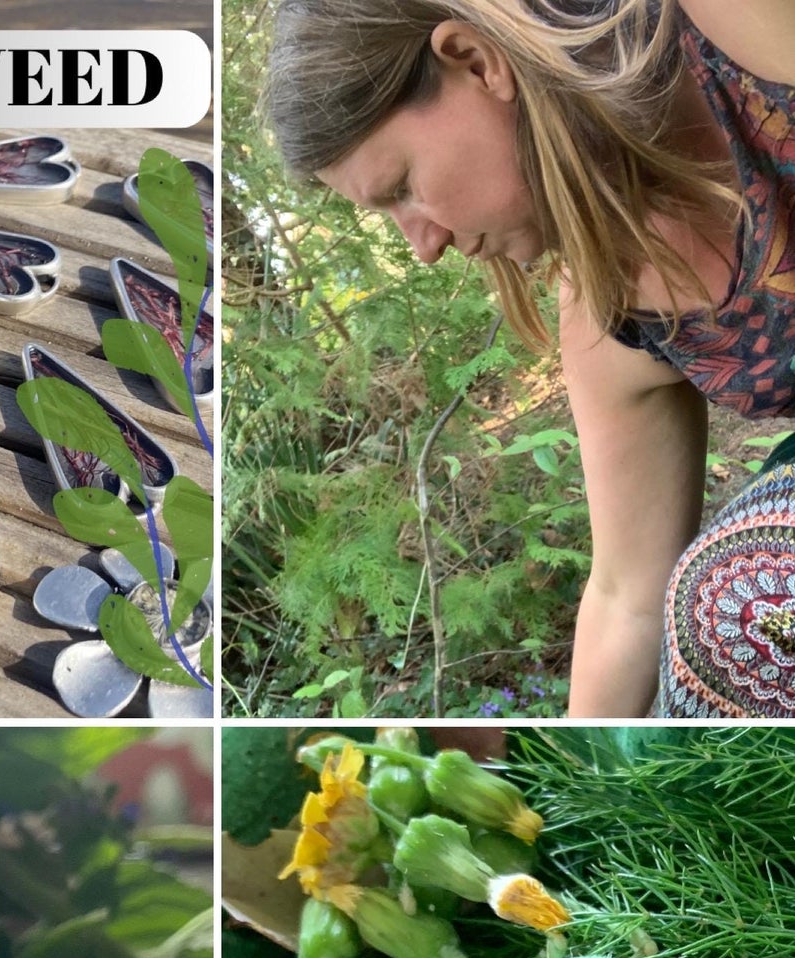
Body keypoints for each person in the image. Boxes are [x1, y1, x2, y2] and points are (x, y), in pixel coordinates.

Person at [264, 0, 795, 716]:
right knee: (707, 637)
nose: (421, 247)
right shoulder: (613, 306)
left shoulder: (730, 27)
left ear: (475, 62)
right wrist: (569, 794)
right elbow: (626, 597)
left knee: (745, 586)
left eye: (402, 189)